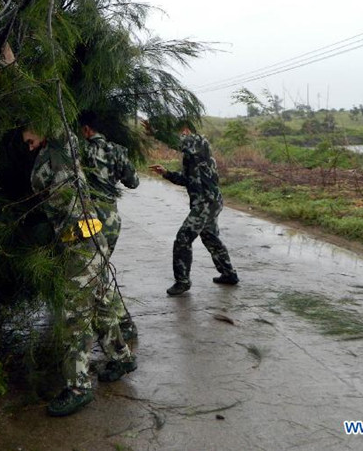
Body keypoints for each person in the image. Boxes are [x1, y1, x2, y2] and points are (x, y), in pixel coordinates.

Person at [22, 127, 137, 417]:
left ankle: (78, 387)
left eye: (28, 138)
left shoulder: (64, 144)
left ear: (41, 124)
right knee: (100, 305)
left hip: (82, 244)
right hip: (89, 240)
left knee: (75, 318)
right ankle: (121, 357)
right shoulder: (55, 153)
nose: (28, 146)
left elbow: (50, 109)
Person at [149, 122, 239, 295]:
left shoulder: (200, 142)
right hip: (209, 202)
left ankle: (182, 282)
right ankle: (229, 274)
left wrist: (157, 132)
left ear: (186, 130)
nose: (181, 138)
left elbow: (181, 141)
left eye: (181, 133)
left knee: (183, 238)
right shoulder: (192, 157)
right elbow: (186, 180)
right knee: (210, 238)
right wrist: (166, 173)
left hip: (206, 203)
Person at [78, 110, 140, 340]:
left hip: (92, 221)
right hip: (113, 220)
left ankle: (123, 325)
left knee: (97, 275)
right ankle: (121, 324)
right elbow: (133, 182)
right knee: (99, 272)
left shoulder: (80, 151)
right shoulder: (117, 150)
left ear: (86, 130)